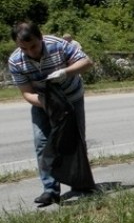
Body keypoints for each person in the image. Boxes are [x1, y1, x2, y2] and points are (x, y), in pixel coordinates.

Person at [8, 21, 94, 206]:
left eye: (34, 46)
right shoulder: (16, 61)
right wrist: (48, 104)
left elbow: (87, 63)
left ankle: (80, 183)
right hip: (42, 103)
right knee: (42, 142)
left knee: (75, 139)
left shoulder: (58, 45)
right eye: (25, 48)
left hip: (72, 97)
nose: (31, 52)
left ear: (41, 38)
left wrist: (65, 72)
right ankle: (50, 190)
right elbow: (26, 93)